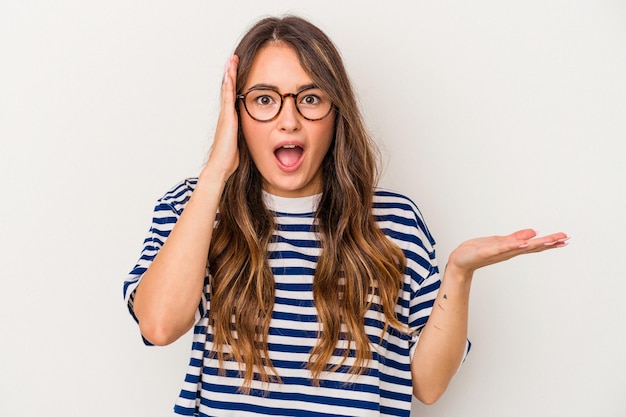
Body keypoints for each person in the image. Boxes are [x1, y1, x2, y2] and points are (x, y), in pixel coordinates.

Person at [123, 15, 569, 417]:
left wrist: (458, 274)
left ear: (336, 114)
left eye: (310, 98)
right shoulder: (195, 207)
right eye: (264, 100)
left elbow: (429, 386)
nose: (289, 121)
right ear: (236, 112)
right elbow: (160, 325)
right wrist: (216, 170)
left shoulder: (394, 223)